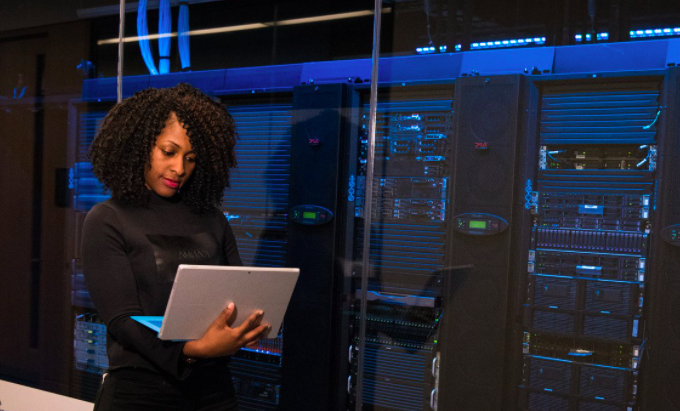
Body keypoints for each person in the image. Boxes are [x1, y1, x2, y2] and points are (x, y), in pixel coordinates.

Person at [82, 83, 269, 410]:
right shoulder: (108, 219)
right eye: (168, 152)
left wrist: (244, 328)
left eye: (191, 158)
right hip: (138, 395)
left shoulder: (212, 220)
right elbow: (122, 321)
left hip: (214, 394)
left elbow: (239, 296)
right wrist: (194, 349)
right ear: (139, 147)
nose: (179, 169)